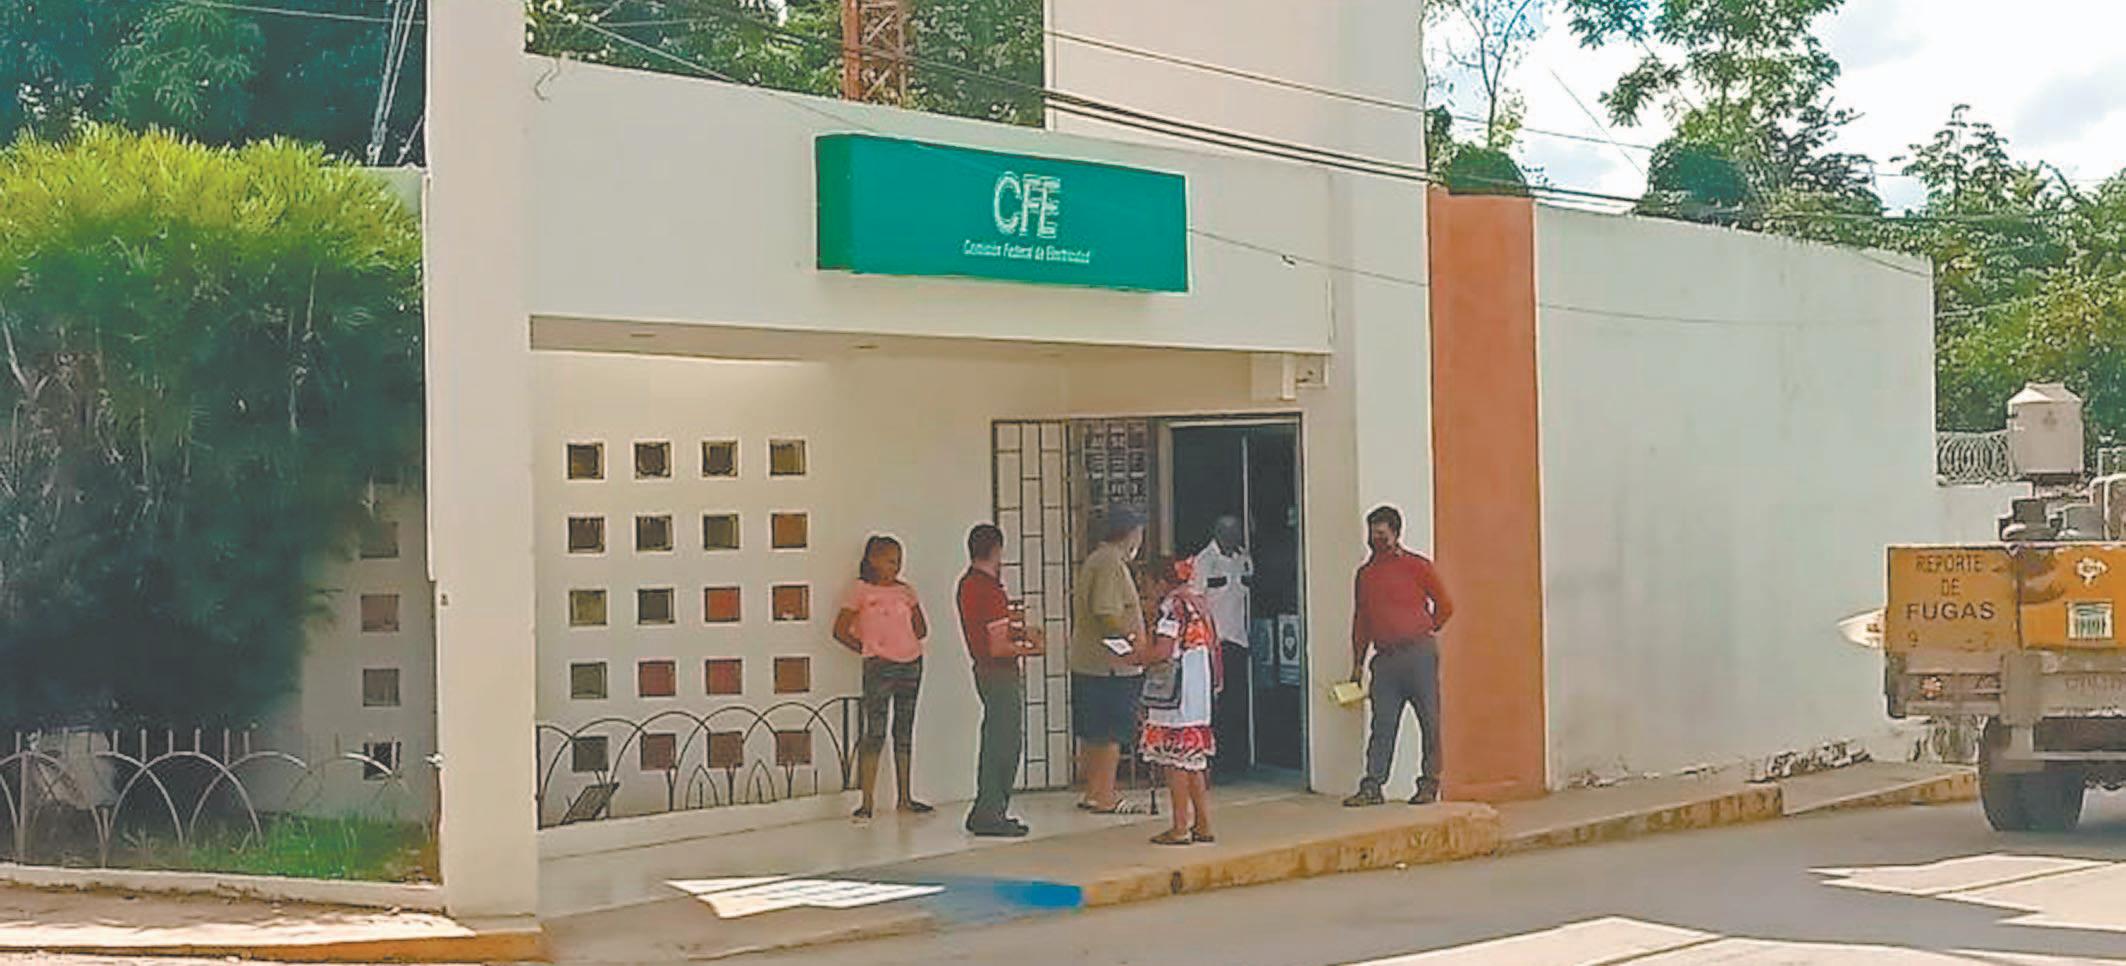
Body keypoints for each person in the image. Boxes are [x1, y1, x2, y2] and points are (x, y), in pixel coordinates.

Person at [1344, 505, 1455, 807]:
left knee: (1429, 720)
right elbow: (1361, 621)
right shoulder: (1365, 575)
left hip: (1418, 654)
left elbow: (1445, 605)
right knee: (1382, 724)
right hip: (1385, 658)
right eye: (1372, 533)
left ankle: (1429, 784)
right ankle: (1373, 785)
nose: (1375, 539)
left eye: (1381, 533)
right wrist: (1357, 663)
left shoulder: (1417, 566)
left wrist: (1424, 629)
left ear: (1395, 534)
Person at [834, 535, 932, 819]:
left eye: (898, 560)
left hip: (911, 663)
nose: (896, 566)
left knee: (904, 729)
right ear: (873, 560)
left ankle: (905, 797)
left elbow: (921, 628)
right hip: (879, 665)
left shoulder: (906, 591)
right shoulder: (860, 590)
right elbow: (839, 630)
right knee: (875, 731)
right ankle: (867, 801)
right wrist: (869, 649)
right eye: (890, 560)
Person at [956, 523, 1045, 837]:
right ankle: (991, 811)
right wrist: (1032, 649)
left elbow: (988, 633)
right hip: (1000, 673)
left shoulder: (967, 584)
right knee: (1004, 744)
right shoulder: (991, 591)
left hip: (982, 670)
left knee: (993, 738)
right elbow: (998, 646)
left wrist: (1019, 632)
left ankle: (986, 808)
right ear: (997, 550)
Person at [1137, 556, 1223, 845]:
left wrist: (1135, 657)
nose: (1146, 590)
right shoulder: (1197, 602)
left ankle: (1179, 826)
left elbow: (1163, 650)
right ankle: (1203, 823)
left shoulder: (1171, 607)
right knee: (1193, 761)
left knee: (1175, 762)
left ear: (1161, 582)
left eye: (1147, 583)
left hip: (1175, 693)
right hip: (1198, 691)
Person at [1070, 506, 1150, 814]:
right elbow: (1106, 612)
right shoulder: (1109, 562)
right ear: (1130, 533)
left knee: (1095, 732)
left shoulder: (1098, 560)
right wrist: (1131, 641)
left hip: (1093, 663)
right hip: (1109, 667)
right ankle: (1105, 794)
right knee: (1109, 733)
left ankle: (1094, 791)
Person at [1190, 516, 1254, 778]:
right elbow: (1196, 599)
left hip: (1239, 639)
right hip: (1214, 642)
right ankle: (1214, 763)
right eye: (1229, 532)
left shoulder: (1243, 558)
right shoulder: (1205, 560)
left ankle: (1236, 760)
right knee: (1214, 704)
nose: (1234, 537)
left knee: (1236, 702)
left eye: (1237, 532)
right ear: (1217, 533)